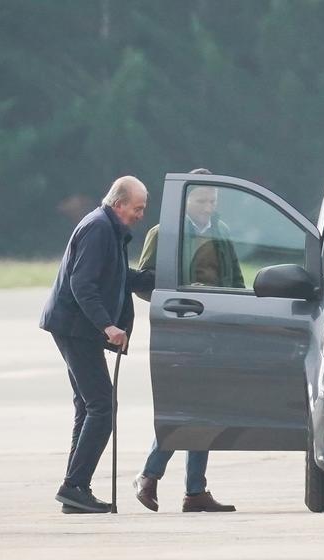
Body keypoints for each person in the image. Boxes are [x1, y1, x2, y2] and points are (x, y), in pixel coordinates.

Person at [40, 176, 154, 513]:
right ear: (119, 204)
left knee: (88, 405)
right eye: (137, 208)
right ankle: (74, 485)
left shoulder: (109, 228)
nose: (140, 215)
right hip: (76, 328)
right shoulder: (99, 229)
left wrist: (164, 279)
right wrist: (108, 325)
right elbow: (82, 283)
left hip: (76, 327)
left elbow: (121, 276)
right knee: (102, 406)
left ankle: (75, 488)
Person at [132, 169, 240, 513]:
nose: (208, 207)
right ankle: (149, 475)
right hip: (177, 333)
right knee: (181, 408)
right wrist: (179, 297)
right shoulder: (163, 233)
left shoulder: (222, 232)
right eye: (201, 200)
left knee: (206, 410)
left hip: (213, 335)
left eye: (212, 201)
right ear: (186, 199)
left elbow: (235, 281)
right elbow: (143, 281)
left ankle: (195, 490)